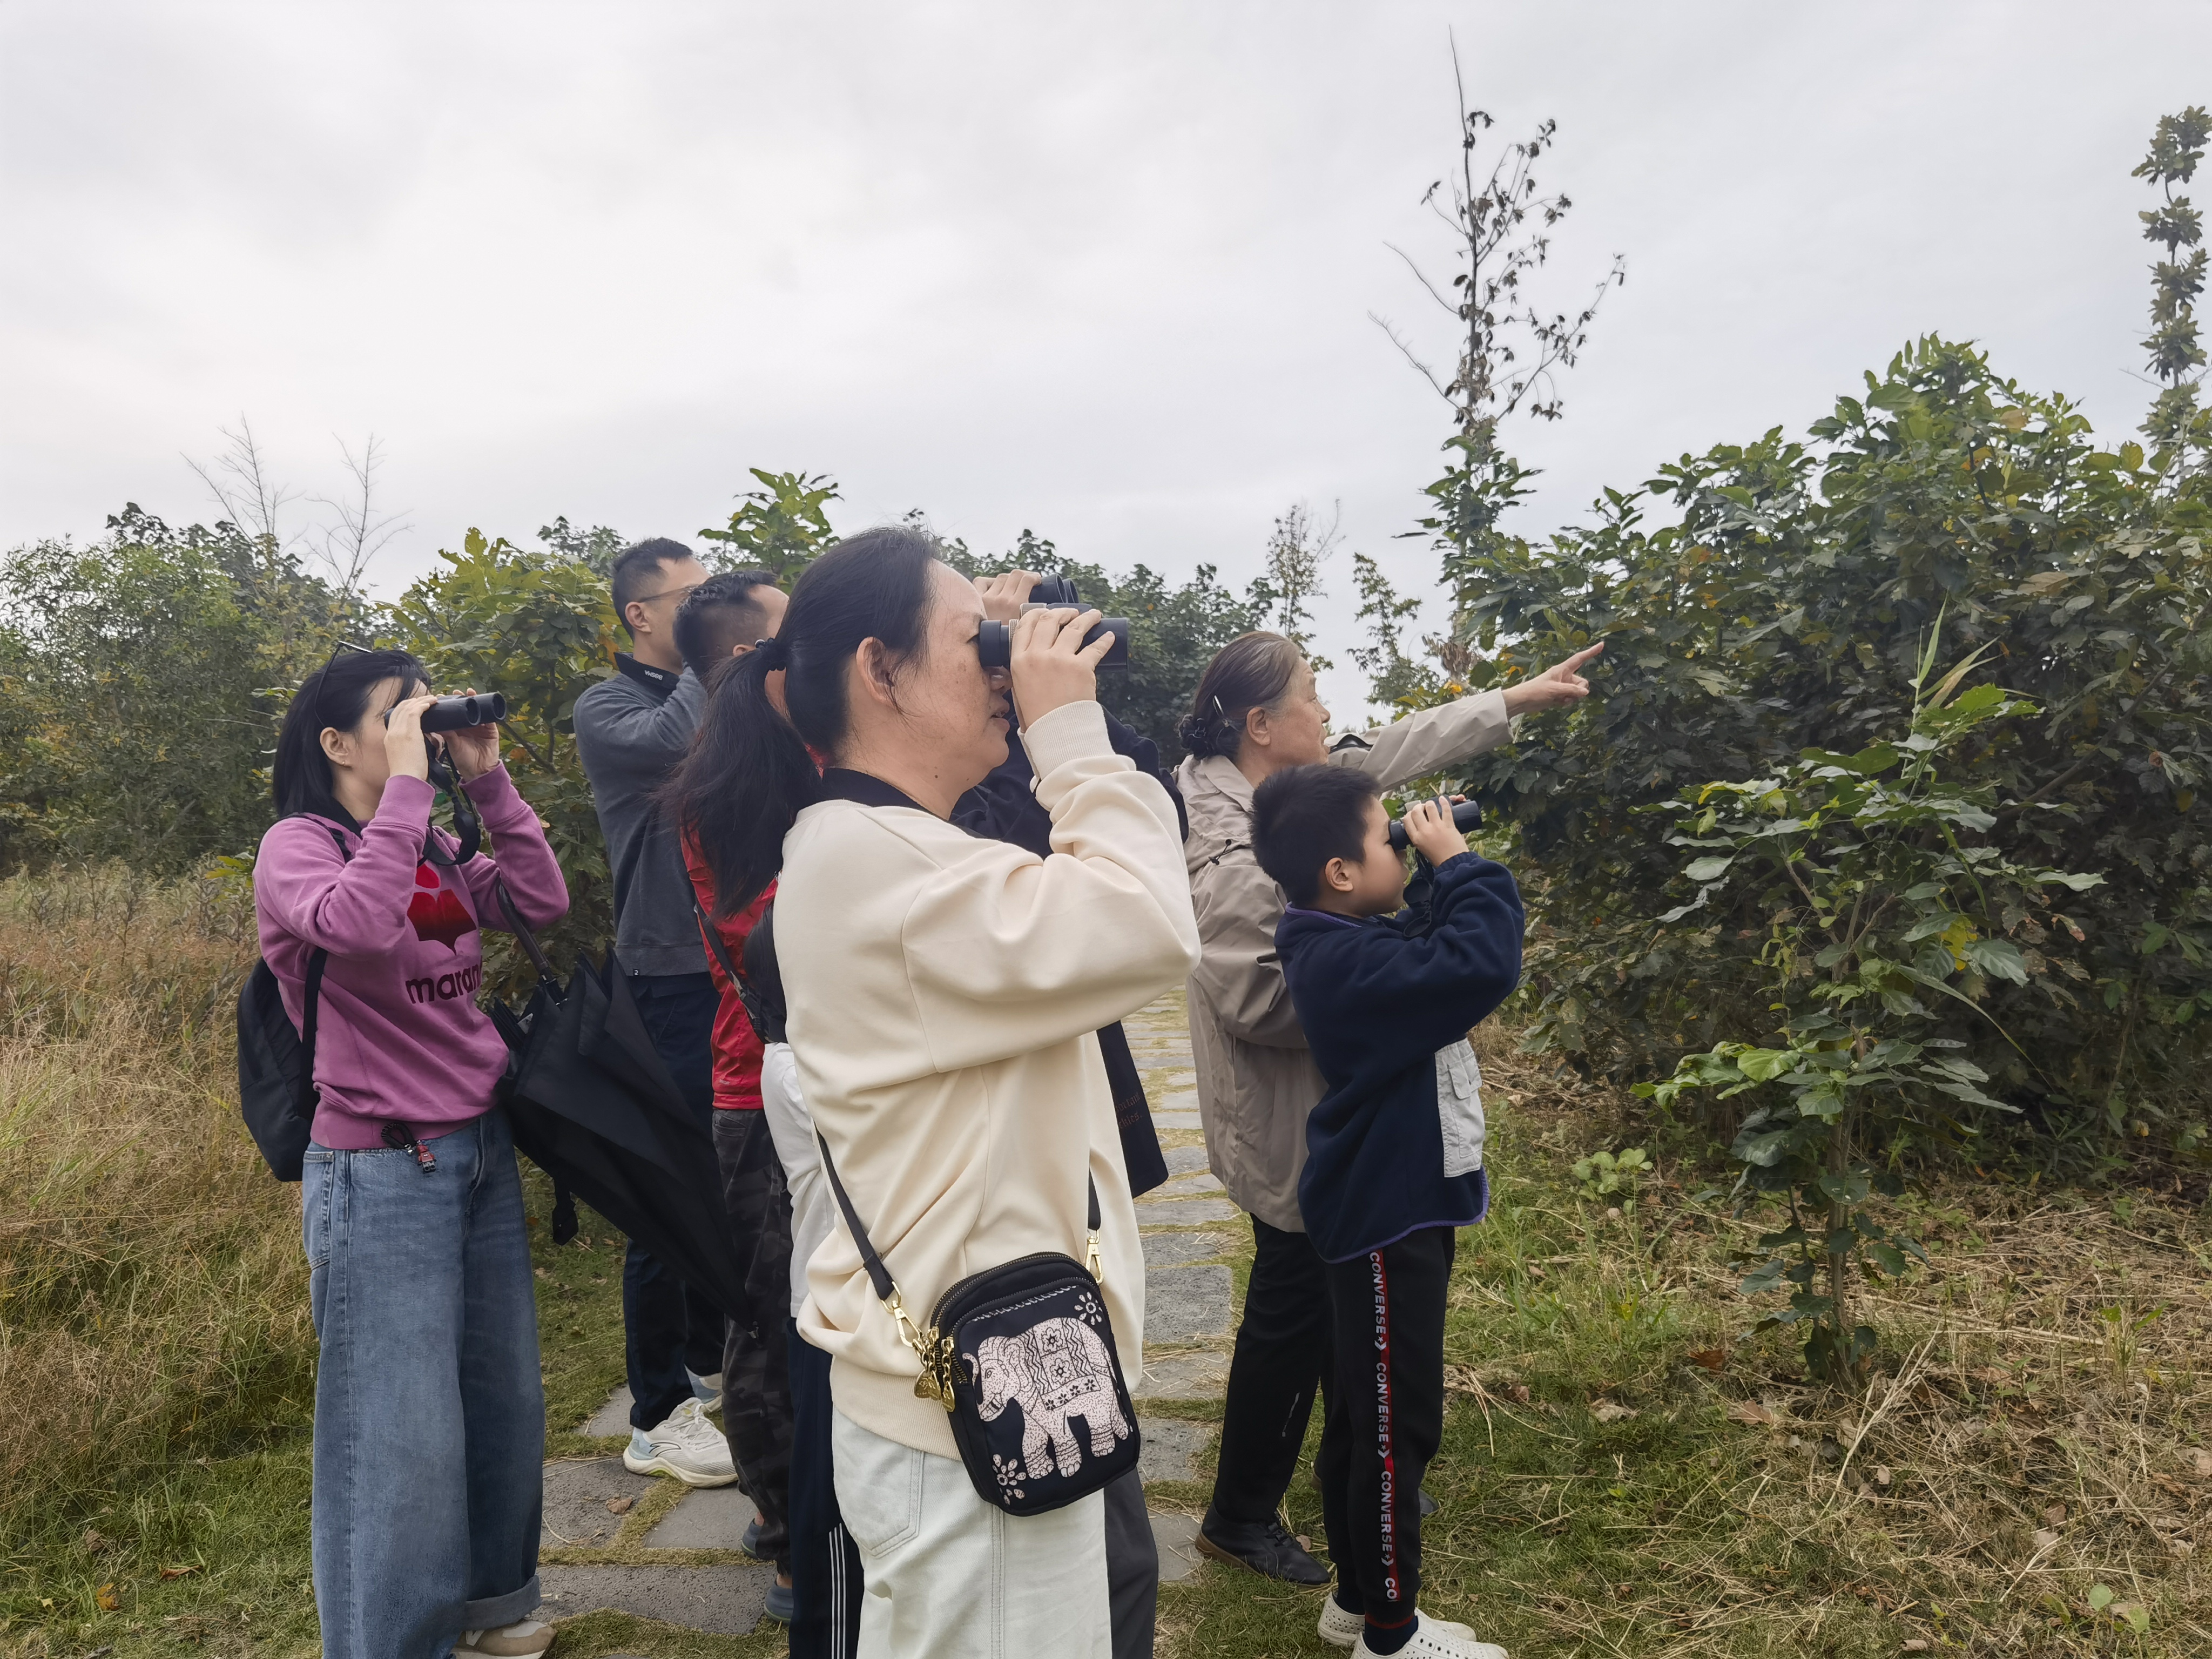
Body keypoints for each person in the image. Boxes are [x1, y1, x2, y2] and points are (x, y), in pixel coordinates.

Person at [682, 525, 1198, 1657]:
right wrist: (1072, 729)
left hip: (990, 1377)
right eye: (978, 644)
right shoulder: (877, 863)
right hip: (967, 1413)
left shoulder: (888, 845)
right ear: (879, 670)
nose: (1006, 669)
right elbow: (1154, 925)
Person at [1178, 631, 1601, 1581]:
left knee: (1338, 1307)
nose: (1328, 717)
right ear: (1262, 727)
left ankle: (1371, 1478)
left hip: (1338, 1111)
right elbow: (1254, 998)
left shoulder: (1291, 793)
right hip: (1286, 1116)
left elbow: (1389, 754)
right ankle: (1242, 1512)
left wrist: (1514, 701)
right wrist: (1395, 979)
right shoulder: (1231, 850)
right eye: (1313, 699)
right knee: (1293, 1311)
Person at [257, 647, 569, 1659]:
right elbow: (351, 925)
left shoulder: (427, 835)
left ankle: (493, 1605)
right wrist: (403, 800)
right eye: (401, 717)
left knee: (502, 1399)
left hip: (476, 1147)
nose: (417, 733)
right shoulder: (296, 847)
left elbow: (539, 902)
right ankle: (392, 1642)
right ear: (338, 742)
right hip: (381, 1169)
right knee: (399, 1432)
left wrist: (486, 776)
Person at [946, 568, 1184, 1658]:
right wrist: (1052, 728)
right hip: (1003, 1233)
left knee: (1107, 1525)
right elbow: (1136, 904)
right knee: (1086, 1534)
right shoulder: (905, 824)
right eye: (968, 643)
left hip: (1065, 1125)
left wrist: (1063, 693)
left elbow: (1150, 814)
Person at [1251, 768, 1522, 1659]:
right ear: (1339, 872)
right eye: (1385, 839)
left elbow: (1429, 937)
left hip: (1393, 1208)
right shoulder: (1344, 961)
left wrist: (1428, 863)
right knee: (1395, 1427)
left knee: (1366, 1419)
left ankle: (1356, 1602)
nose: (1400, 846)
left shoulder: (1346, 936)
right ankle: (1391, 1636)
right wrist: (1463, 862)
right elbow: (1480, 959)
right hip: (1383, 1220)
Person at [572, 537, 738, 1490]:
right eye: (690, 597)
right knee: (666, 1186)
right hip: (668, 978)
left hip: (732, 965)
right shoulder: (612, 708)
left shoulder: (710, 693)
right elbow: (682, 739)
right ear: (640, 614)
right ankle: (655, 1412)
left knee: (729, 1177)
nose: (708, 608)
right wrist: (717, 649)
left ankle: (711, 1368)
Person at [667, 571, 799, 1621]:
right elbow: (766, 937)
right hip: (759, 1094)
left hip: (784, 1086)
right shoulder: (731, 795)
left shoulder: (767, 775)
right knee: (768, 1319)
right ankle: (791, 1534)